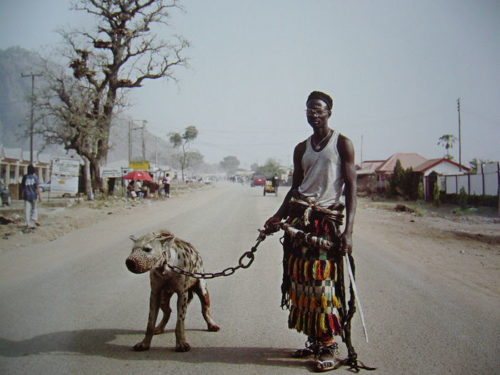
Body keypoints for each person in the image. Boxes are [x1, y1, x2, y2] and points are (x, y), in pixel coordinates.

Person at [264, 91, 357, 372]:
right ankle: (314, 340)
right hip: (300, 223)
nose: (313, 114)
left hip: (326, 224)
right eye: (308, 109)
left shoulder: (343, 144)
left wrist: (349, 232)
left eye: (318, 109)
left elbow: (352, 189)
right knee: (301, 283)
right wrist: (277, 217)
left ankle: (328, 343)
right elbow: (295, 188)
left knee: (323, 284)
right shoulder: (300, 148)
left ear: (329, 112)